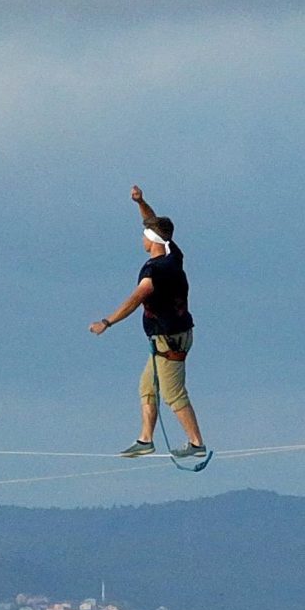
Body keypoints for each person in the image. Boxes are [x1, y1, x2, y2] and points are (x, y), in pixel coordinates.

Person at [88, 185, 206, 462]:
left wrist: (107, 322)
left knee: (173, 394)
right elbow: (152, 222)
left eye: (144, 234)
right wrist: (140, 202)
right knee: (147, 387)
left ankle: (196, 443)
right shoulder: (173, 254)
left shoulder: (154, 269)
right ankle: (145, 440)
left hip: (170, 340)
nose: (141, 236)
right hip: (170, 337)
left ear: (151, 240)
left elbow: (136, 298)